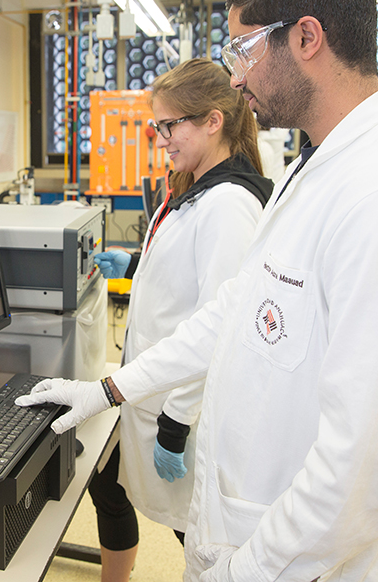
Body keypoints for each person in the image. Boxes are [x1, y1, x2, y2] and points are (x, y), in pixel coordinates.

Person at [18, 0, 378, 581]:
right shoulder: (316, 168)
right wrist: (109, 388)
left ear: (305, 38)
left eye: (243, 50)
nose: (236, 77)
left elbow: (374, 460)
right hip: (261, 535)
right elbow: (234, 311)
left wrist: (250, 572)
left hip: (315, 563)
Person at [89, 59, 273, 582]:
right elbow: (188, 276)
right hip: (149, 392)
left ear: (213, 121)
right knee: (109, 484)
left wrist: (176, 421)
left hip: (180, 406)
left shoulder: (229, 204)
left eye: (171, 125)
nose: (162, 138)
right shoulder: (193, 187)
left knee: (198, 532)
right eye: (158, 126)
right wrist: (136, 264)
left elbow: (220, 323)